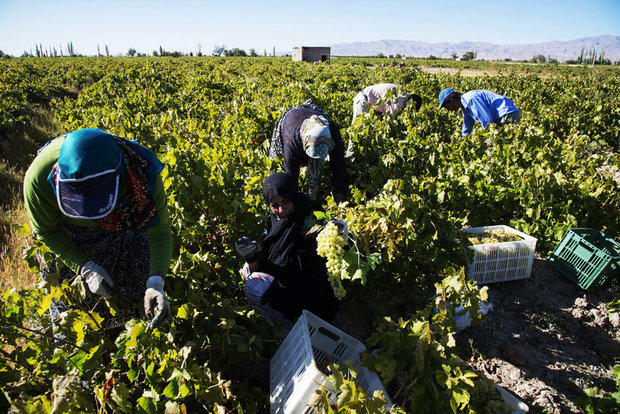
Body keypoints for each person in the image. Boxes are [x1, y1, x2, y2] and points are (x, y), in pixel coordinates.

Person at [23, 128, 173, 329]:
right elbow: (47, 231)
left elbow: (160, 232)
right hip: (66, 233)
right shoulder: (38, 180)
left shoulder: (141, 173)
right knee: (72, 309)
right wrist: (85, 268)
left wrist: (155, 283)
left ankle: (128, 325)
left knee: (136, 279)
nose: (90, 211)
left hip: (121, 224)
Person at [235, 173, 340, 330]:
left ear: (293, 196)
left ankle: (292, 329)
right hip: (291, 289)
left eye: (286, 202)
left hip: (315, 297)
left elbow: (333, 239)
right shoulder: (273, 223)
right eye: (274, 205)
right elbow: (267, 256)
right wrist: (251, 257)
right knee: (248, 273)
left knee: (256, 284)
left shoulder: (311, 216)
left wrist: (340, 233)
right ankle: (288, 325)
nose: (281, 210)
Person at [269, 99, 346, 202]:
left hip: (312, 114)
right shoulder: (291, 141)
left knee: (329, 163)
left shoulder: (333, 132)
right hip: (291, 119)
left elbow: (339, 167)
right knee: (280, 172)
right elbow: (291, 177)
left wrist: (339, 203)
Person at [438, 88, 521, 136]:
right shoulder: (465, 108)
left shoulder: (470, 99)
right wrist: (463, 141)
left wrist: (488, 143)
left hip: (506, 113)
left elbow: (487, 120)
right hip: (501, 116)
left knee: (507, 143)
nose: (449, 110)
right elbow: (467, 126)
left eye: (447, 107)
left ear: (452, 100)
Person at [352, 83, 422, 123]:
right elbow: (388, 121)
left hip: (370, 103)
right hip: (363, 100)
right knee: (359, 128)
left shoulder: (403, 95)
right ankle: (350, 149)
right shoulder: (398, 102)